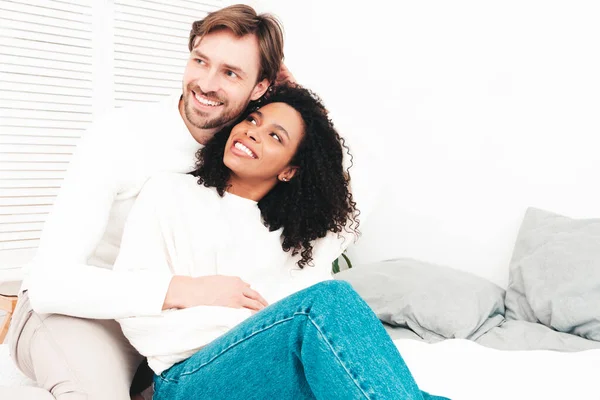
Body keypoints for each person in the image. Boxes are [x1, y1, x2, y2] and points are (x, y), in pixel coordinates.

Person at [3, 5, 324, 400]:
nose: (206, 84)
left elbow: (340, 178)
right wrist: (185, 290)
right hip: (83, 311)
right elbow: (50, 282)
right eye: (200, 61)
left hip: (177, 329)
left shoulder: (244, 146)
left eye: (231, 73)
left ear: (260, 88)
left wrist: (300, 95)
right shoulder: (120, 136)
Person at [113, 83, 447, 400]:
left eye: (275, 136)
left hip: (274, 373)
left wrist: (307, 100)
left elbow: (367, 173)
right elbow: (134, 310)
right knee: (324, 303)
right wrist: (261, 323)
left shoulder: (302, 237)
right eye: (252, 119)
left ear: (290, 170)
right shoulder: (169, 194)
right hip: (187, 380)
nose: (252, 132)